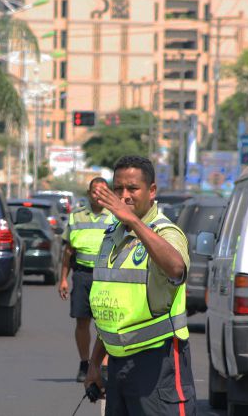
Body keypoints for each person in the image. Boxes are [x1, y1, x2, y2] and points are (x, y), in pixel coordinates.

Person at [84, 155, 196, 416]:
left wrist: (135, 222)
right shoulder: (112, 236)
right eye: (118, 189)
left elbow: (176, 268)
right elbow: (111, 310)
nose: (124, 196)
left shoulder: (166, 232)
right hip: (118, 364)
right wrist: (94, 365)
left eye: (132, 188)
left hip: (158, 363)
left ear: (152, 191)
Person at [58, 177, 114, 382]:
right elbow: (68, 251)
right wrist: (63, 279)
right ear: (89, 193)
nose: (98, 195)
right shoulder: (76, 216)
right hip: (82, 275)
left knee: (106, 322)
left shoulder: (115, 217)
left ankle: (103, 365)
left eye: (102, 191)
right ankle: (84, 363)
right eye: (94, 191)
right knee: (82, 321)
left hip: (107, 278)